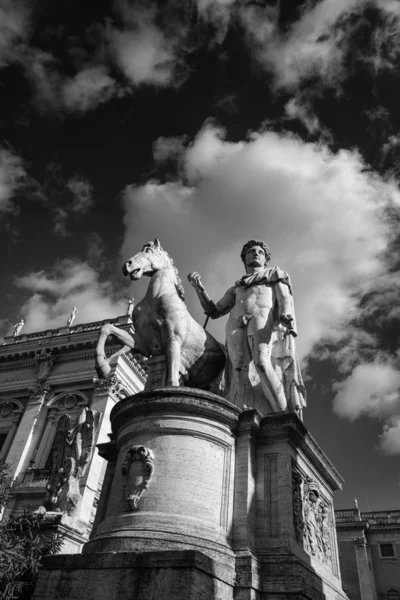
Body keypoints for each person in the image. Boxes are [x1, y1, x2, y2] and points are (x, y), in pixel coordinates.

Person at [188, 240, 306, 416]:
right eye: (251, 251)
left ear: (266, 259)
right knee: (237, 370)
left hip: (261, 316)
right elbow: (214, 311)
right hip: (235, 322)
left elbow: (284, 298)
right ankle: (241, 412)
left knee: (262, 363)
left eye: (260, 252)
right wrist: (199, 289)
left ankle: (283, 415)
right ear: (244, 259)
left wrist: (286, 313)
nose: (256, 253)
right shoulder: (237, 287)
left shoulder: (274, 275)